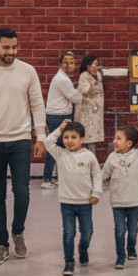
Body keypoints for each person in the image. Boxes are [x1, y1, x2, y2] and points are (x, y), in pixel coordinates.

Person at [0, 28, 47, 265]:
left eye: (14, 47)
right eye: (6, 47)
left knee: (22, 192)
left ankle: (18, 231)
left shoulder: (28, 71)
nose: (11, 52)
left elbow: (37, 104)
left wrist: (41, 137)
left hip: (20, 141)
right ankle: (1, 244)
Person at [43, 120, 102, 276]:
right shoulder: (60, 154)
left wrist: (96, 193)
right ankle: (69, 262)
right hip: (67, 203)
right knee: (69, 233)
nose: (69, 141)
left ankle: (83, 248)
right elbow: (48, 142)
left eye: (74, 137)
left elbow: (97, 175)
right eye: (66, 137)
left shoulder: (89, 156)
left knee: (87, 231)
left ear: (82, 139)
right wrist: (60, 128)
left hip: (85, 202)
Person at [101, 125, 138, 270]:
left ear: (129, 143)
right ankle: (120, 257)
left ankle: (131, 248)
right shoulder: (112, 157)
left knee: (132, 230)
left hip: (134, 202)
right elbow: (103, 175)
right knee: (119, 230)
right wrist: (93, 188)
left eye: (118, 138)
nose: (114, 141)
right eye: (115, 138)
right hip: (117, 202)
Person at [42, 50, 81, 189]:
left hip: (59, 115)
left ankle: (52, 177)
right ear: (60, 64)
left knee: (60, 147)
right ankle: (46, 179)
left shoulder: (63, 78)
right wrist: (84, 91)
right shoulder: (62, 79)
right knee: (54, 148)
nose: (68, 65)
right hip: (57, 117)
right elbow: (75, 98)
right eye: (65, 62)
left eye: (71, 62)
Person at [74, 54, 106, 151]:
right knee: (87, 135)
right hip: (86, 111)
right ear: (88, 66)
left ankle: (92, 156)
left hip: (95, 110)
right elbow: (85, 91)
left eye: (97, 64)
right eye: (95, 64)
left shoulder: (97, 75)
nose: (97, 66)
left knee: (93, 134)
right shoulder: (84, 76)